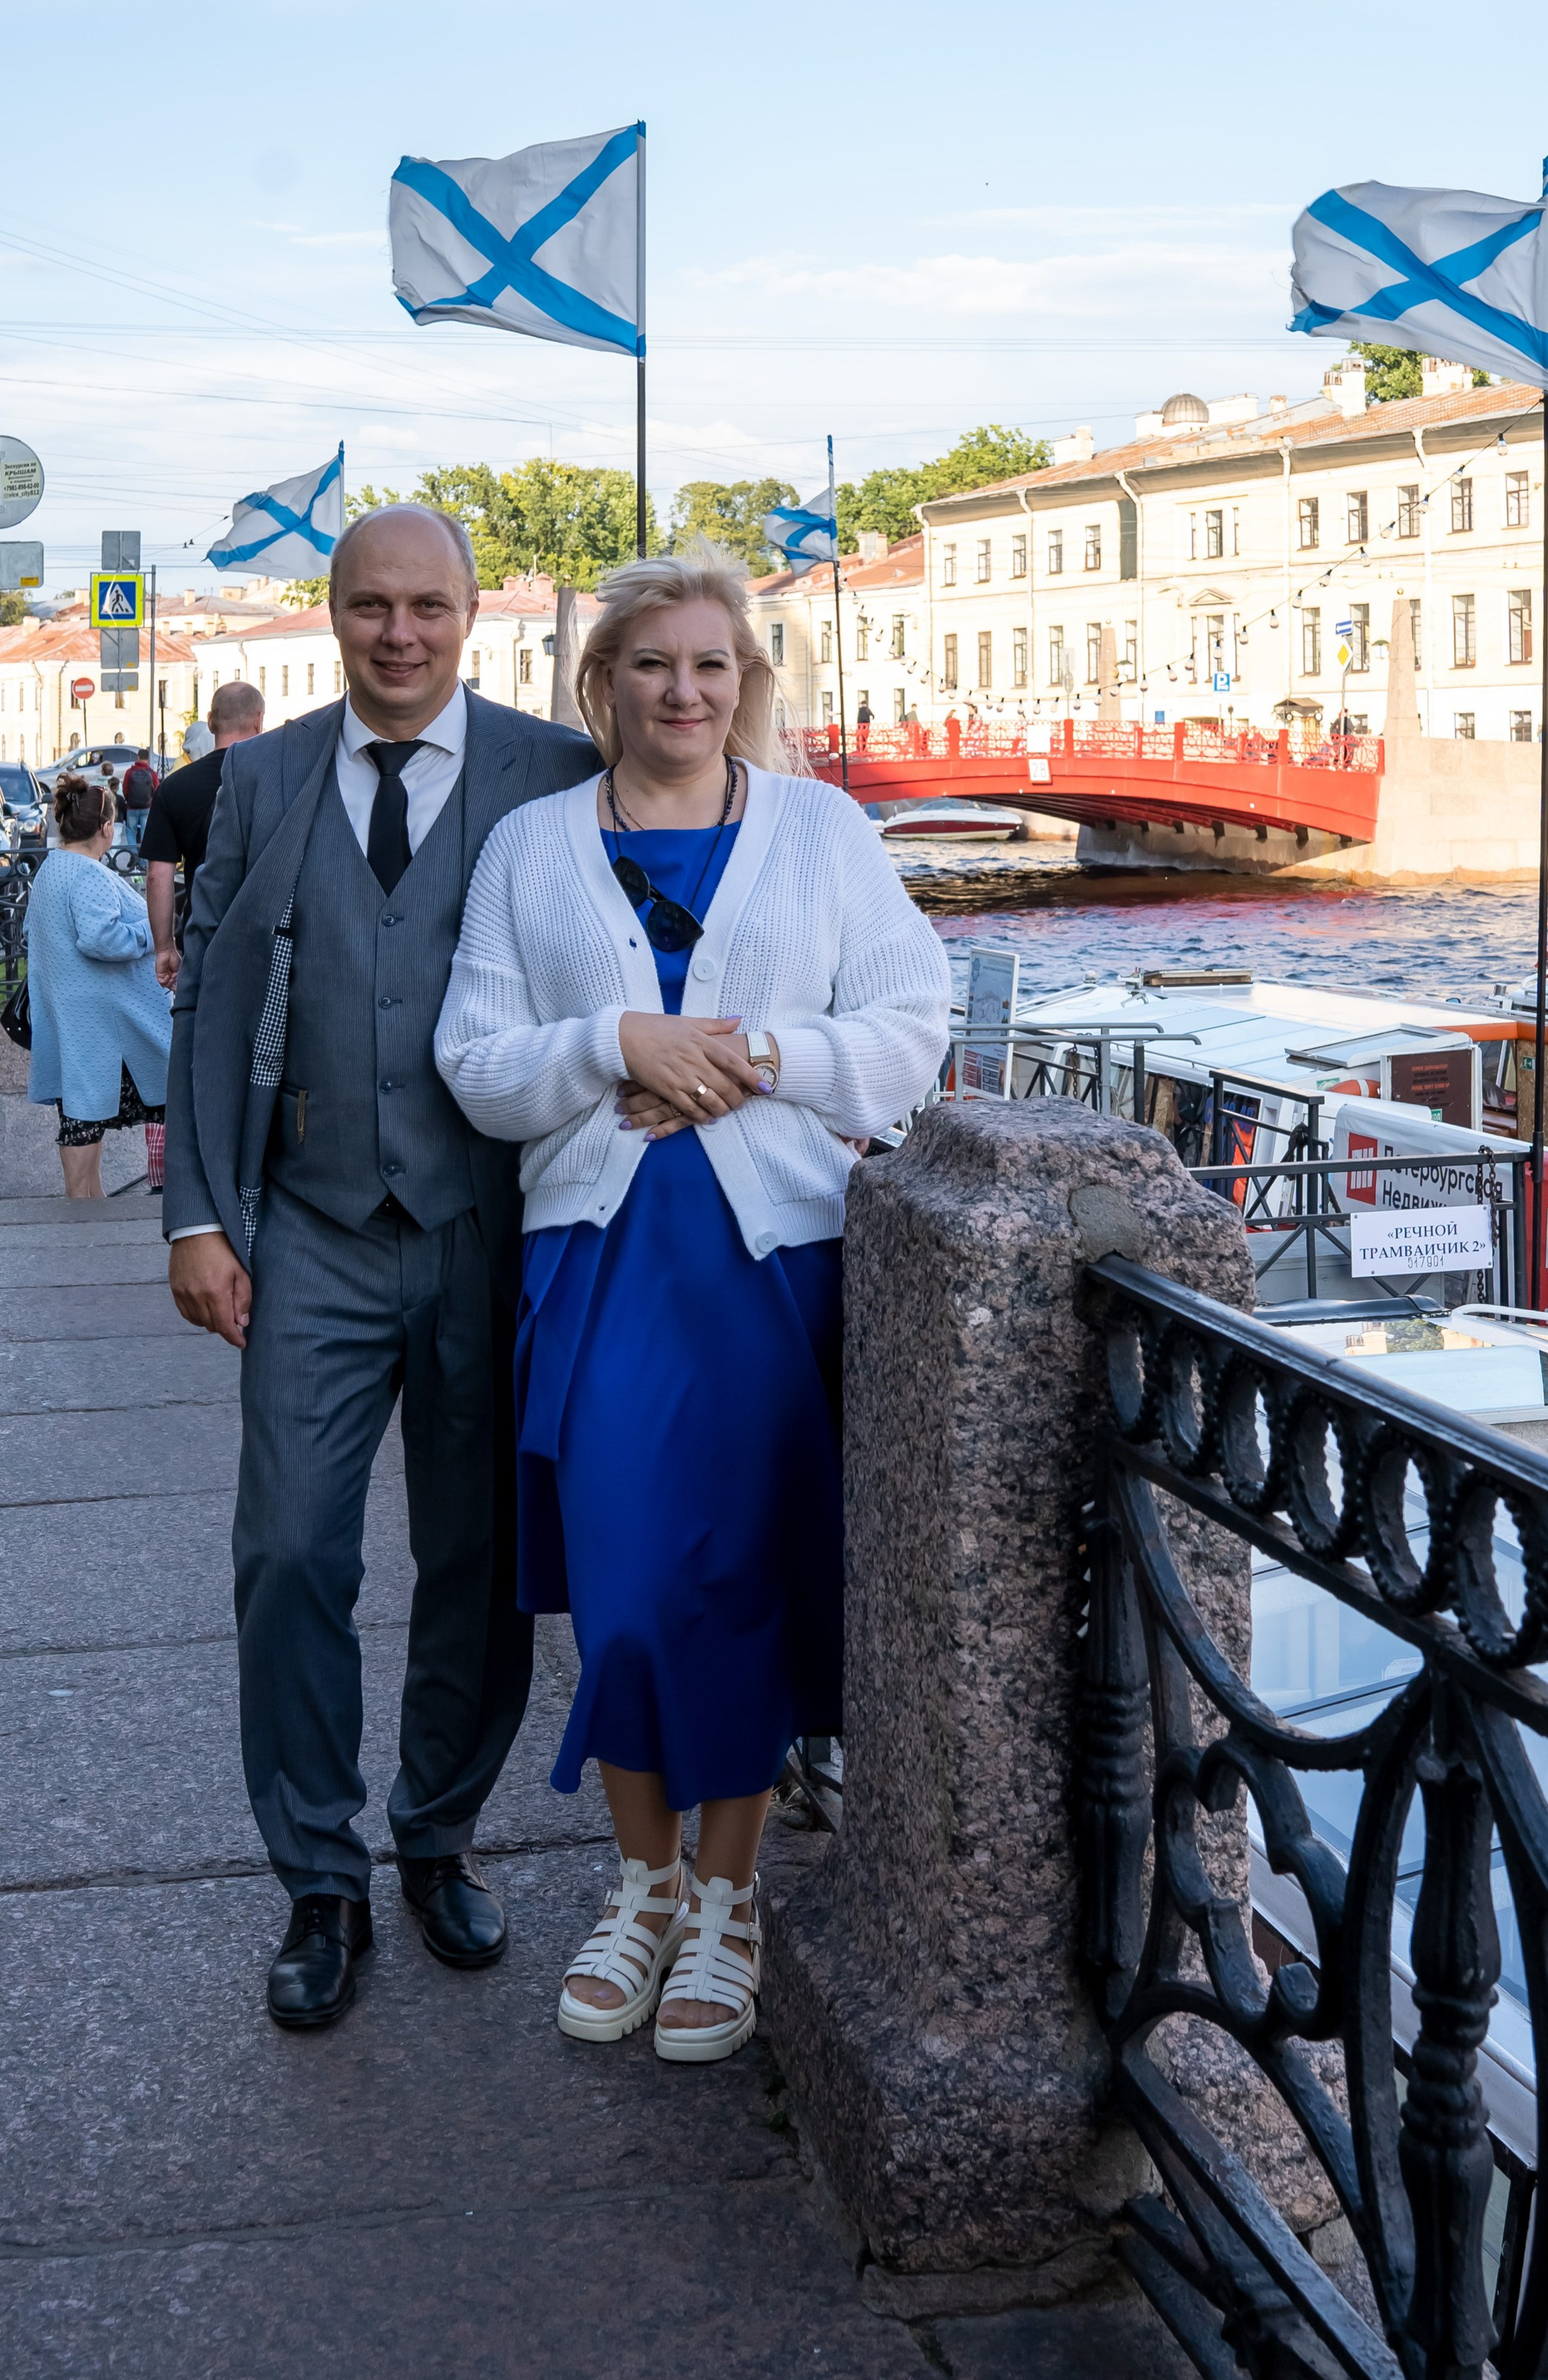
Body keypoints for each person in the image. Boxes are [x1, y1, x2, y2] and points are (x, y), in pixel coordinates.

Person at [435, 553, 949, 2064]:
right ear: (605, 683)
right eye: (654, 664)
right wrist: (616, 1041)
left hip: (771, 1254)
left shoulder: (823, 830)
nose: (685, 690)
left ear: (748, 681)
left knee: (746, 1582)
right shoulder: (533, 848)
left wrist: (758, 1057)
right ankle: (643, 1881)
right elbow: (479, 1060)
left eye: (712, 665)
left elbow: (910, 1026)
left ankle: (723, 1898)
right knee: (630, 1594)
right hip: (598, 1253)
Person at [164, 507, 599, 2034]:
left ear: (476, 613)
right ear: (331, 615)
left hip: (494, 1232)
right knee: (289, 1549)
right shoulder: (265, 777)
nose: (398, 634)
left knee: (479, 1567)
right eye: (369, 607)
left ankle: (435, 1833)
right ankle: (317, 1875)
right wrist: (196, 1214)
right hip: (313, 1231)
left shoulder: (556, 772)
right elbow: (214, 1001)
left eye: (427, 606)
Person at [26, 774, 176, 1200]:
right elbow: (101, 939)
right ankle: (89, 1222)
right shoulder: (87, 873)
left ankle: (85, 1219)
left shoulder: (51, 869)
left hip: (74, 1024)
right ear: (108, 828)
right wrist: (155, 932)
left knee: (79, 1125)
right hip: (108, 1030)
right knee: (176, 1104)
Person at [145, 682, 265, 992]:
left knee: (202, 1031)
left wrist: (165, 948)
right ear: (259, 720)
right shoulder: (279, 779)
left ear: (210, 722)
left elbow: (158, 876)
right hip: (269, 936)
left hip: (203, 933)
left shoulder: (174, 787)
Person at [121, 749, 156, 854]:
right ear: (148, 759)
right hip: (147, 808)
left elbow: (125, 790)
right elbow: (157, 790)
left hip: (132, 808)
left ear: (138, 757)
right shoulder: (152, 773)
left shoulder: (129, 772)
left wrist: (129, 800)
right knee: (145, 834)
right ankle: (144, 861)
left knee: (131, 832)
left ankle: (134, 856)